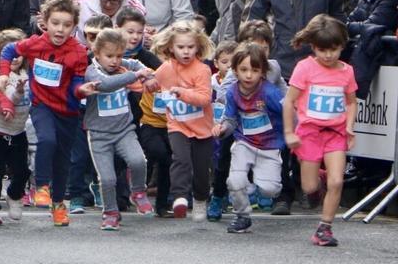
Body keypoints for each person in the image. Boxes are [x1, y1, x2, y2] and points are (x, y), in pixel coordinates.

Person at [0, 0, 87, 226]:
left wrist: (82, 90)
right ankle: (42, 186)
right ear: (44, 22)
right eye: (55, 23)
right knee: (47, 140)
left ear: (74, 26)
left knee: (63, 160)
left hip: (67, 110)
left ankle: (58, 204)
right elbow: (8, 52)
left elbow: (76, 82)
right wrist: (4, 74)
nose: (60, 29)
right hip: (41, 104)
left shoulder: (78, 51)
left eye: (67, 25)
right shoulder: (35, 43)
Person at [283, 16, 356, 247]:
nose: (328, 55)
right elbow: (288, 102)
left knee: (337, 182)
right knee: (309, 188)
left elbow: (351, 101)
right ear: (313, 47)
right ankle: (318, 180)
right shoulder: (305, 68)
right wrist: (289, 132)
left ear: (342, 47)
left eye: (333, 50)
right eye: (322, 50)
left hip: (335, 134)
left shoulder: (347, 71)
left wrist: (349, 126)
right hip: (309, 133)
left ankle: (324, 228)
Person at [77, 28, 155, 230]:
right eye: (109, 56)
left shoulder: (124, 66)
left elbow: (138, 65)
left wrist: (147, 76)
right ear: (97, 54)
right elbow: (105, 85)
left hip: (124, 130)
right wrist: (134, 76)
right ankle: (111, 212)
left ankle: (138, 192)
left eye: (119, 56)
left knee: (138, 160)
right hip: (99, 135)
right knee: (108, 178)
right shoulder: (92, 71)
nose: (115, 61)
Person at [152, 20, 215, 220]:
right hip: (177, 124)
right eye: (181, 47)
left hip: (202, 128)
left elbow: (204, 99)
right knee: (180, 159)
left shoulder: (202, 70)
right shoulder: (165, 69)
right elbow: (153, 83)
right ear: (171, 47)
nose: (186, 52)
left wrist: (183, 93)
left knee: (202, 171)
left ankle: (200, 199)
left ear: (199, 46)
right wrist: (147, 82)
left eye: (191, 47)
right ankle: (179, 196)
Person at [220, 43, 285, 234]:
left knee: (269, 190)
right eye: (244, 70)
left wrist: (293, 134)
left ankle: (264, 185)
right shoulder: (232, 92)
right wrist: (223, 128)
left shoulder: (269, 92)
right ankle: (242, 216)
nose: (249, 75)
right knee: (234, 181)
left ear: (263, 72)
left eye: (255, 70)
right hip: (244, 143)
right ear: (235, 71)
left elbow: (288, 112)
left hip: (270, 145)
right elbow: (230, 119)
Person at [0, 29, 31, 223]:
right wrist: (17, 92)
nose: (14, 58)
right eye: (8, 53)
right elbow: (3, 99)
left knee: (22, 171)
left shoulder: (28, 74)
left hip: (18, 131)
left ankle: (14, 194)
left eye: (18, 53)